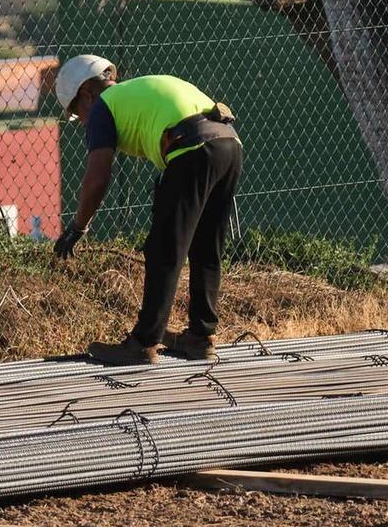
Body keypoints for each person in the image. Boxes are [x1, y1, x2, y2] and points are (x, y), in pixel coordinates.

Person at [49, 55, 244, 365]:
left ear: (86, 93)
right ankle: (200, 336)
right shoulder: (135, 92)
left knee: (163, 249)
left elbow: (97, 178)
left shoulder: (104, 106)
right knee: (206, 247)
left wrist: (78, 226)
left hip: (191, 148)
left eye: (77, 111)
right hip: (229, 144)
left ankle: (142, 342)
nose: (82, 121)